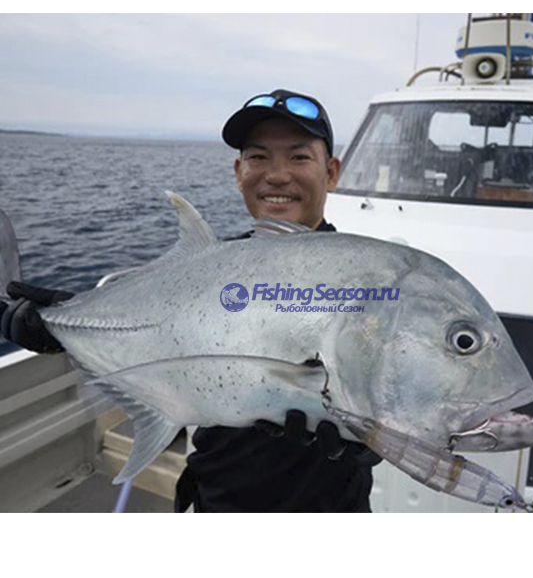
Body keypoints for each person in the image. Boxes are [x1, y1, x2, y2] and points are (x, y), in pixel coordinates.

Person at [0, 88, 381, 513]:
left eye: (298, 157)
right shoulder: (208, 265)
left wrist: (372, 441)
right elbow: (153, 326)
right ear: (238, 172)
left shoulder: (363, 281)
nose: (276, 175)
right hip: (210, 499)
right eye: (258, 157)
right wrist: (62, 326)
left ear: (331, 172)